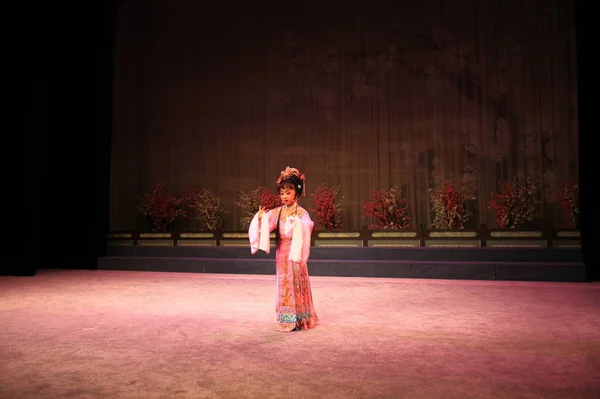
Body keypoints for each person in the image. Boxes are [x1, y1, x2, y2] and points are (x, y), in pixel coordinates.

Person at [248, 166, 319, 332]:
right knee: (284, 286)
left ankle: (302, 318)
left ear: (296, 192)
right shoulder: (277, 212)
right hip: (282, 254)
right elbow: (266, 226)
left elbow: (308, 227)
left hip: (296, 255)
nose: (284, 196)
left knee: (298, 284)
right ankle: (286, 319)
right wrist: (259, 219)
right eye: (282, 193)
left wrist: (298, 225)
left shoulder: (301, 213)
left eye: (288, 192)